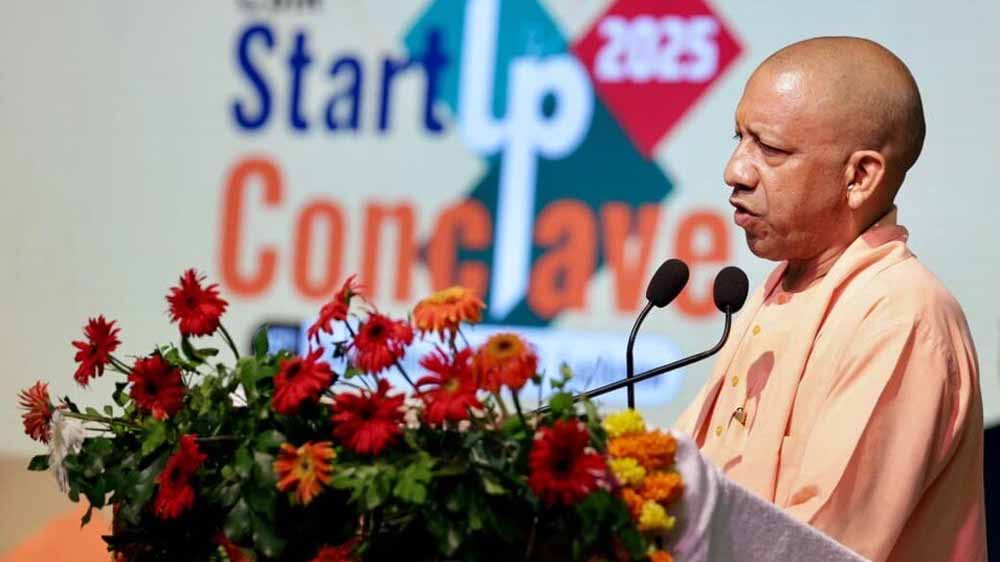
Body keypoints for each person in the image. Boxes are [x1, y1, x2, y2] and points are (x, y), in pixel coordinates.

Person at [673, 37, 986, 561]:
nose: (735, 170)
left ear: (859, 176)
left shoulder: (900, 315)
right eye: (740, 139)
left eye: (770, 149)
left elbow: (819, 549)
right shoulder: (786, 286)